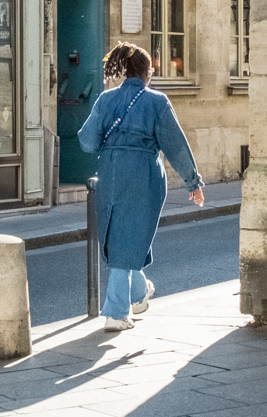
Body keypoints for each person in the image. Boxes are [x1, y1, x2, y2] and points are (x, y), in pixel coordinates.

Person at [78, 43, 204, 332]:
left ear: (124, 70)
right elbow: (176, 146)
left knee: (119, 236)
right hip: (143, 173)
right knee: (133, 234)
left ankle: (138, 293)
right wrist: (193, 182)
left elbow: (87, 141)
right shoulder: (157, 102)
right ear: (148, 72)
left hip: (109, 171)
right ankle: (117, 313)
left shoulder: (106, 99)